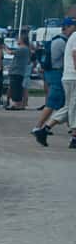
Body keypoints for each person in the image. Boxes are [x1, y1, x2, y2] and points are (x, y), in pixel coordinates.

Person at [31, 18, 76, 148]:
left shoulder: (67, 38)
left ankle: (44, 130)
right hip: (72, 76)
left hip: (66, 76)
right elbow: (75, 55)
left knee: (69, 106)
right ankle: (72, 137)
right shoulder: (72, 38)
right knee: (70, 106)